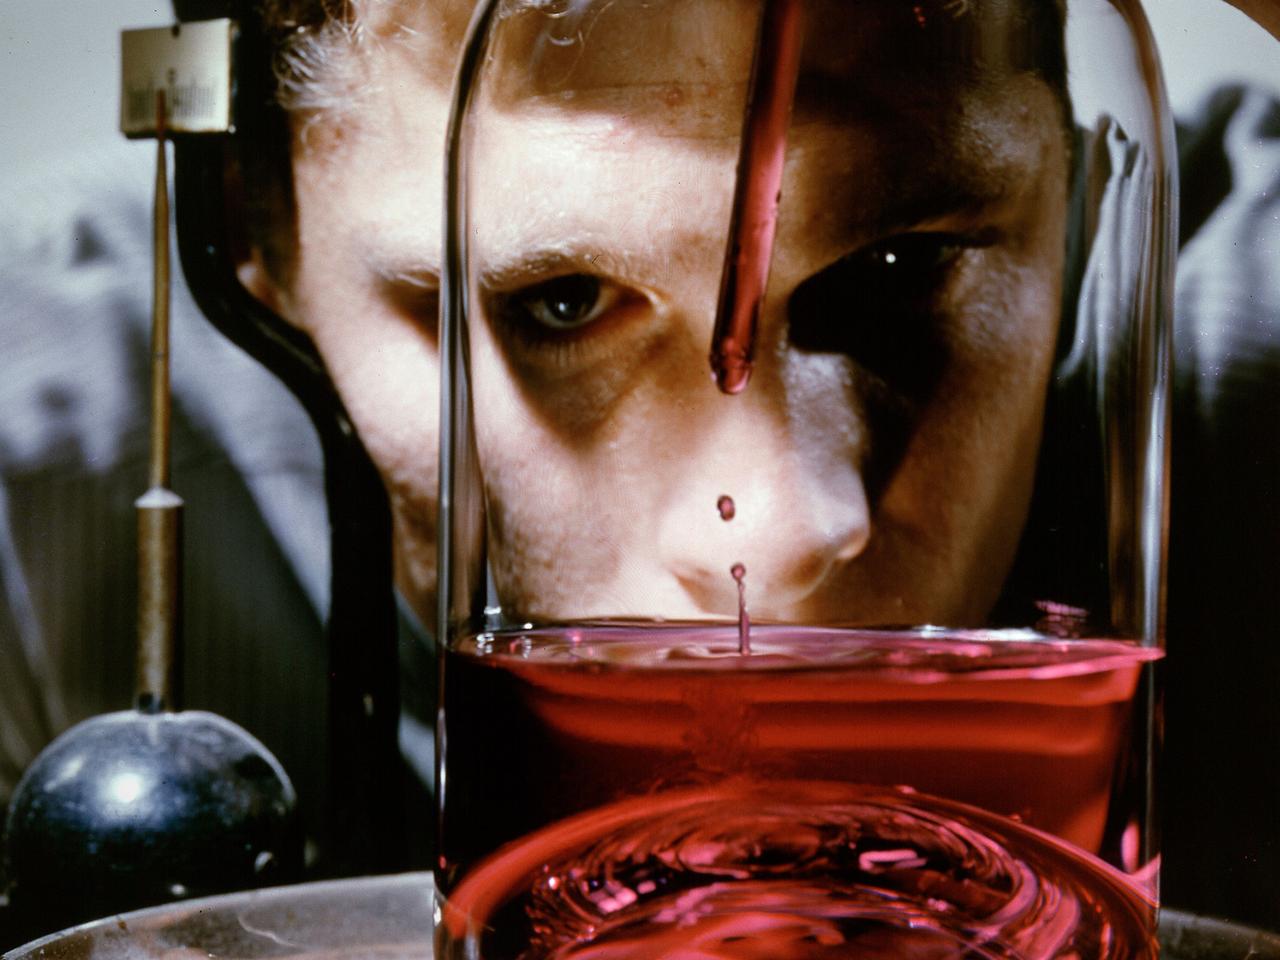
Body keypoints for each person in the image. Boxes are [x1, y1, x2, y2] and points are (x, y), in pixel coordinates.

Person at [1, 0, 1276, 932]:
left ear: (1083, 189)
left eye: (902, 270)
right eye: (557, 302)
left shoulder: (1245, 341)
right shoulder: (31, 476)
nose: (777, 530)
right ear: (249, 237)